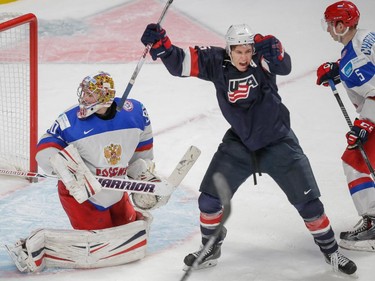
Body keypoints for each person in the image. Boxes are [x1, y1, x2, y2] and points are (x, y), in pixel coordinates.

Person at [140, 23, 357, 275]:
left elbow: (283, 66)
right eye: (238, 51)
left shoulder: (261, 58)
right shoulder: (215, 61)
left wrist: (277, 51)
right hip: (240, 143)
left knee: (310, 206)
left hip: (278, 142)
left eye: (247, 51)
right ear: (228, 49)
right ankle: (211, 246)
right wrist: (161, 45)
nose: (244, 57)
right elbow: (180, 62)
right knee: (209, 201)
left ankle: (331, 252)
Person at [6, 71, 164, 272]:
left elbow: (141, 155)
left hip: (116, 190)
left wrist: (143, 177)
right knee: (102, 248)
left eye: (91, 94)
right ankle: (34, 250)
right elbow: (44, 149)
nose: (84, 98)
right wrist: (66, 168)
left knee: (129, 233)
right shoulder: (70, 119)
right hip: (82, 194)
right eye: (85, 92)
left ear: (106, 96)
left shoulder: (135, 112)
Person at [316, 1, 375, 252]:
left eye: (331, 25)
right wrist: (338, 69)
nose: (328, 30)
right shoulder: (365, 37)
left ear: (341, 25)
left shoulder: (355, 58)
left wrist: (365, 124)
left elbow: (373, 92)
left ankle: (373, 223)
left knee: (354, 161)